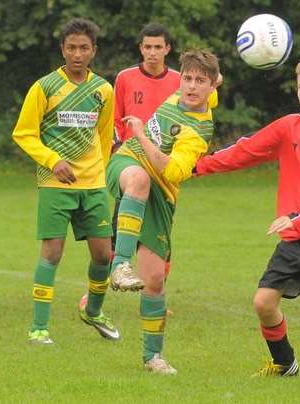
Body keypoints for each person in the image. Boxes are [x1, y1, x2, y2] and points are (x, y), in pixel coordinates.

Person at [195, 58, 300, 377]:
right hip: (294, 235)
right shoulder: (288, 126)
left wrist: (298, 219)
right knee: (263, 303)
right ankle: (285, 363)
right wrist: (197, 166)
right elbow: (245, 150)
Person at [106, 49, 220, 373]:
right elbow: (211, 79)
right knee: (139, 179)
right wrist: (211, 73)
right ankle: (120, 265)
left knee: (155, 280)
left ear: (210, 88)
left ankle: (151, 357)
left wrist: (141, 132)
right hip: (127, 163)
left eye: (201, 81)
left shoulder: (198, 132)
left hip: (162, 193)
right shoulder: (185, 93)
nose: (192, 86)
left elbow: (171, 171)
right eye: (187, 78)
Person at [12, 18, 120, 345]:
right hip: (55, 185)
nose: (77, 53)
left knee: (104, 256)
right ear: (62, 49)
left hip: (93, 185)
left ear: (93, 51)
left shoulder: (103, 90)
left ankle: (94, 311)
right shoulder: (44, 87)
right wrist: (52, 161)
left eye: (83, 48)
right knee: (52, 254)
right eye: (71, 47)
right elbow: (24, 134)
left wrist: (98, 172)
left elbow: (103, 138)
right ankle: (39, 327)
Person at [110, 22, 180, 291]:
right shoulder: (125, 77)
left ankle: (156, 291)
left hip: (164, 167)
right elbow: (115, 120)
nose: (152, 52)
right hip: (131, 162)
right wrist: (116, 151)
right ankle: (100, 289)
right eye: (147, 47)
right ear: (140, 48)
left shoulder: (178, 81)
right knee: (118, 231)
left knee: (162, 233)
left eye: (158, 47)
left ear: (167, 49)